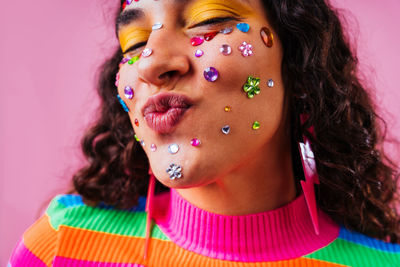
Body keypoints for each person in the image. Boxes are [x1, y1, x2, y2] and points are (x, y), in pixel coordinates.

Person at [8, 0, 400, 266]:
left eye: (208, 19)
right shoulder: (63, 244)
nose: (151, 63)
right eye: (135, 41)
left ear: (298, 63)